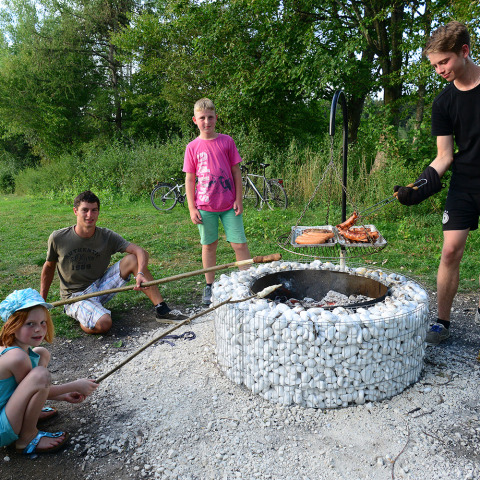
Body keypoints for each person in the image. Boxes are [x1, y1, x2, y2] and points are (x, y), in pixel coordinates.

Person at [394, 21, 480, 345]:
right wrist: (418, 187)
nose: (439, 70)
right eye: (434, 65)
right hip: (465, 182)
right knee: (450, 251)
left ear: (464, 51)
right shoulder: (443, 103)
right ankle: (443, 321)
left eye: (443, 62)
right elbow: (444, 156)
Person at [40, 190, 184, 335]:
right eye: (85, 210)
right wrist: (41, 302)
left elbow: (141, 252)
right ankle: (85, 316)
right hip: (74, 297)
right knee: (104, 323)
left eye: (94, 210)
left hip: (99, 287)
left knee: (133, 259)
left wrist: (140, 273)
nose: (90, 215)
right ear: (75, 211)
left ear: (98, 212)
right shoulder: (58, 238)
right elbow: (48, 267)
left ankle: (162, 310)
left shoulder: (106, 236)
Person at [0, 288, 98, 454]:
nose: (38, 329)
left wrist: (63, 396)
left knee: (41, 354)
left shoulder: (17, 350)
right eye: (30, 324)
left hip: (7, 412)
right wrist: (74, 385)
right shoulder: (17, 357)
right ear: (12, 326)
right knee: (40, 375)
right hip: (2, 428)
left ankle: (31, 416)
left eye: (42, 322)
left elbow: (26, 389)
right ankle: (27, 437)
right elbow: (38, 383)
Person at [183, 98, 251, 305]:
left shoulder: (227, 142)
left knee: (239, 244)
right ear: (195, 120)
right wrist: (192, 207)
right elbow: (189, 178)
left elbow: (236, 172)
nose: (206, 122)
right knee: (209, 245)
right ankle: (209, 285)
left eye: (210, 117)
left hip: (229, 204)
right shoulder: (192, 147)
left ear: (216, 118)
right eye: (202, 118)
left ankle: (248, 281)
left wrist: (239, 198)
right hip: (205, 206)